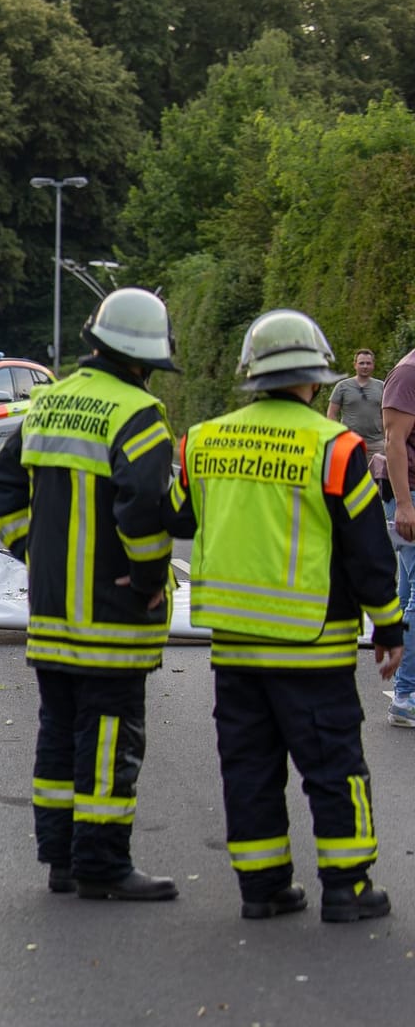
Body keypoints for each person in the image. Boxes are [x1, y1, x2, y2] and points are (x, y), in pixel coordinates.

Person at [166, 309, 403, 922]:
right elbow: (367, 550)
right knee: (334, 767)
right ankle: (348, 890)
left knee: (249, 767)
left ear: (251, 373)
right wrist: (390, 625)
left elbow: (178, 519)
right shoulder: (336, 447)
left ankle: (263, 889)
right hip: (313, 644)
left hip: (236, 645)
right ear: (317, 378)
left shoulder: (204, 439)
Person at [0, 288, 180, 902]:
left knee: (60, 733)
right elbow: (146, 512)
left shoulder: (47, 404)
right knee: (108, 742)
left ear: (95, 341)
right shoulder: (139, 413)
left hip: (51, 614)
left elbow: (3, 486)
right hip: (113, 619)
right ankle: (102, 866)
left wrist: (34, 554)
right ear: (144, 359)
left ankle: (63, 860)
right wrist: (149, 581)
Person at [377, 346, 415, 724]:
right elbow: (393, 441)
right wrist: (404, 505)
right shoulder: (407, 375)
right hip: (411, 496)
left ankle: (401, 667)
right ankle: (405, 695)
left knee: (407, 588)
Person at [326, 349, 384, 463]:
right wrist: (338, 436)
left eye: (368, 363)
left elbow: (388, 415)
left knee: (377, 479)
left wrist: (388, 439)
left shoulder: (382, 386)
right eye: (361, 363)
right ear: (355, 365)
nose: (365, 366)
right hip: (350, 443)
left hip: (376, 444)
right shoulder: (342, 386)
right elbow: (331, 414)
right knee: (351, 478)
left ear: (373, 365)